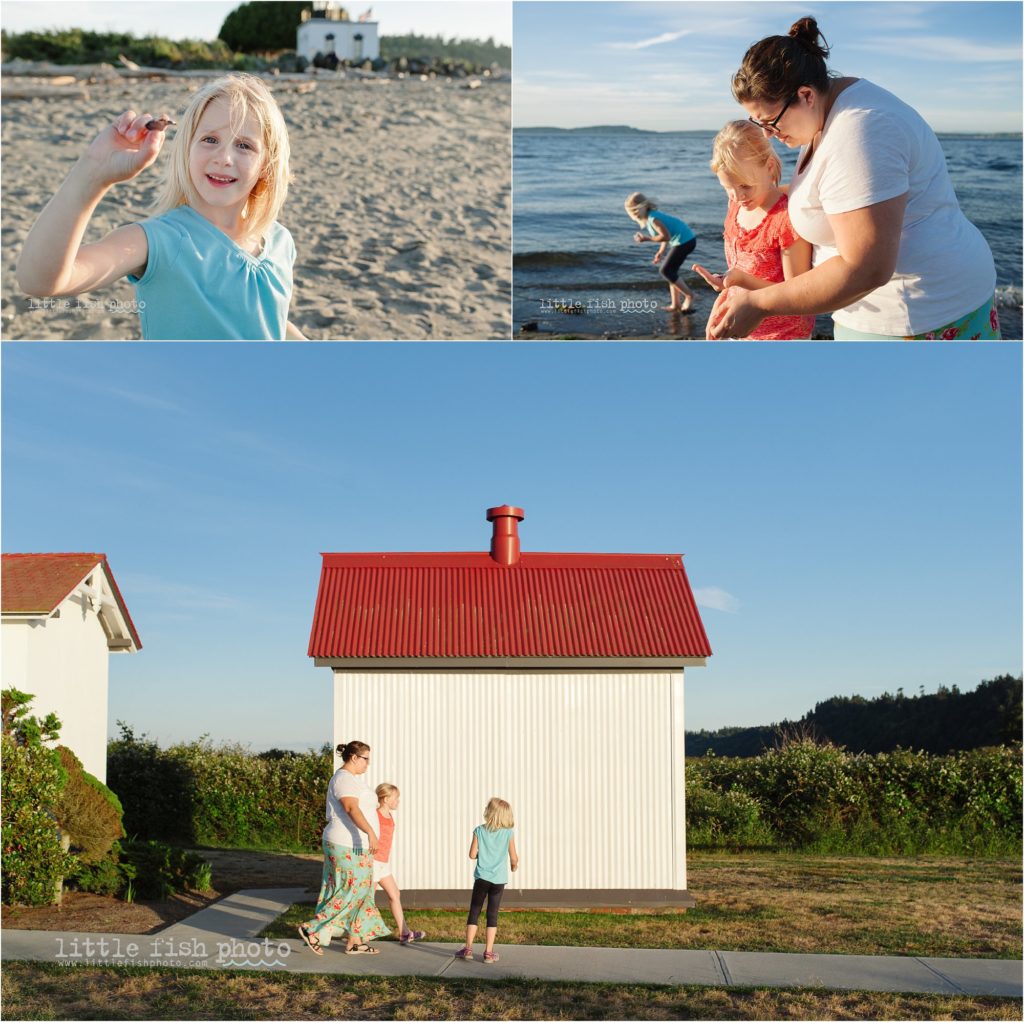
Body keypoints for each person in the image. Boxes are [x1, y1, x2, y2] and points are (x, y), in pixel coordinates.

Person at [707, 17, 999, 340]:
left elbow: (866, 267)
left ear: (805, 95)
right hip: (889, 311)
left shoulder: (861, 131)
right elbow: (838, 192)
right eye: (758, 123)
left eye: (770, 122)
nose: (768, 134)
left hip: (921, 315)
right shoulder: (828, 110)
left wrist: (760, 304)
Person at [16, 73, 305, 340]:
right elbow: (40, 281)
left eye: (244, 145)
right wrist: (93, 174)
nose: (224, 158)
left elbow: (266, 320)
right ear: (186, 148)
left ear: (267, 163)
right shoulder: (158, 241)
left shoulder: (280, 241)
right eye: (210, 139)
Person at [693, 121, 815, 339]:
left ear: (769, 167)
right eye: (728, 188)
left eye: (745, 186)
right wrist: (721, 306)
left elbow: (798, 295)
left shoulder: (785, 219)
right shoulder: (735, 206)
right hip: (742, 328)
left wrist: (740, 280)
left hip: (783, 335)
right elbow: (738, 272)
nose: (737, 196)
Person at [297, 740, 390, 956]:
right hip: (346, 844)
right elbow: (351, 808)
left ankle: (354, 941)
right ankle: (312, 929)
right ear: (354, 757)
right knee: (351, 891)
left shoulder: (353, 780)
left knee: (361, 891)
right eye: (365, 759)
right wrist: (370, 832)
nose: (368, 763)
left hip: (356, 845)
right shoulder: (343, 779)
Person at [453, 797, 518, 964]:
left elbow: (472, 854)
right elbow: (514, 857)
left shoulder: (479, 831)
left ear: (489, 812)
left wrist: (482, 855)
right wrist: (513, 866)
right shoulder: (508, 833)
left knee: (475, 911)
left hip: (482, 878)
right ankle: (488, 953)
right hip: (498, 880)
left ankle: (468, 949)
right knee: (492, 914)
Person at [372, 783, 426, 945]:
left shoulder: (389, 816)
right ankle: (355, 934)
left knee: (395, 894)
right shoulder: (375, 815)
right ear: (385, 799)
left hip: (383, 863)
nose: (398, 801)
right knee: (367, 900)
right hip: (373, 862)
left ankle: (404, 933)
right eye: (396, 798)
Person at [623, 193, 697, 312]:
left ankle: (689, 296)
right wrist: (661, 252)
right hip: (684, 240)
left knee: (665, 270)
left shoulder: (653, 219)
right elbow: (666, 236)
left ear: (641, 208)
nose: (634, 216)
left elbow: (666, 236)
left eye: (634, 212)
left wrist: (646, 239)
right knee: (671, 272)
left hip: (685, 241)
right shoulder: (652, 216)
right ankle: (675, 304)